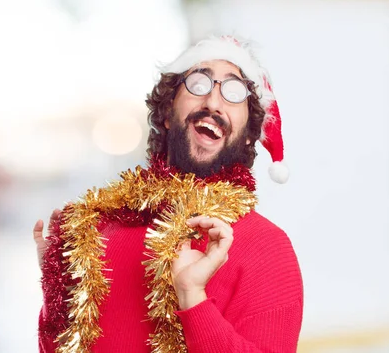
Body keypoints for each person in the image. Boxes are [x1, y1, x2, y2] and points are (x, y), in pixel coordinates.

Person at [33, 35, 303, 353]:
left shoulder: (267, 247)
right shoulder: (102, 229)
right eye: (199, 84)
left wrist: (193, 297)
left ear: (248, 136)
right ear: (166, 112)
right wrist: (58, 285)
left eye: (233, 93)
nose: (213, 102)